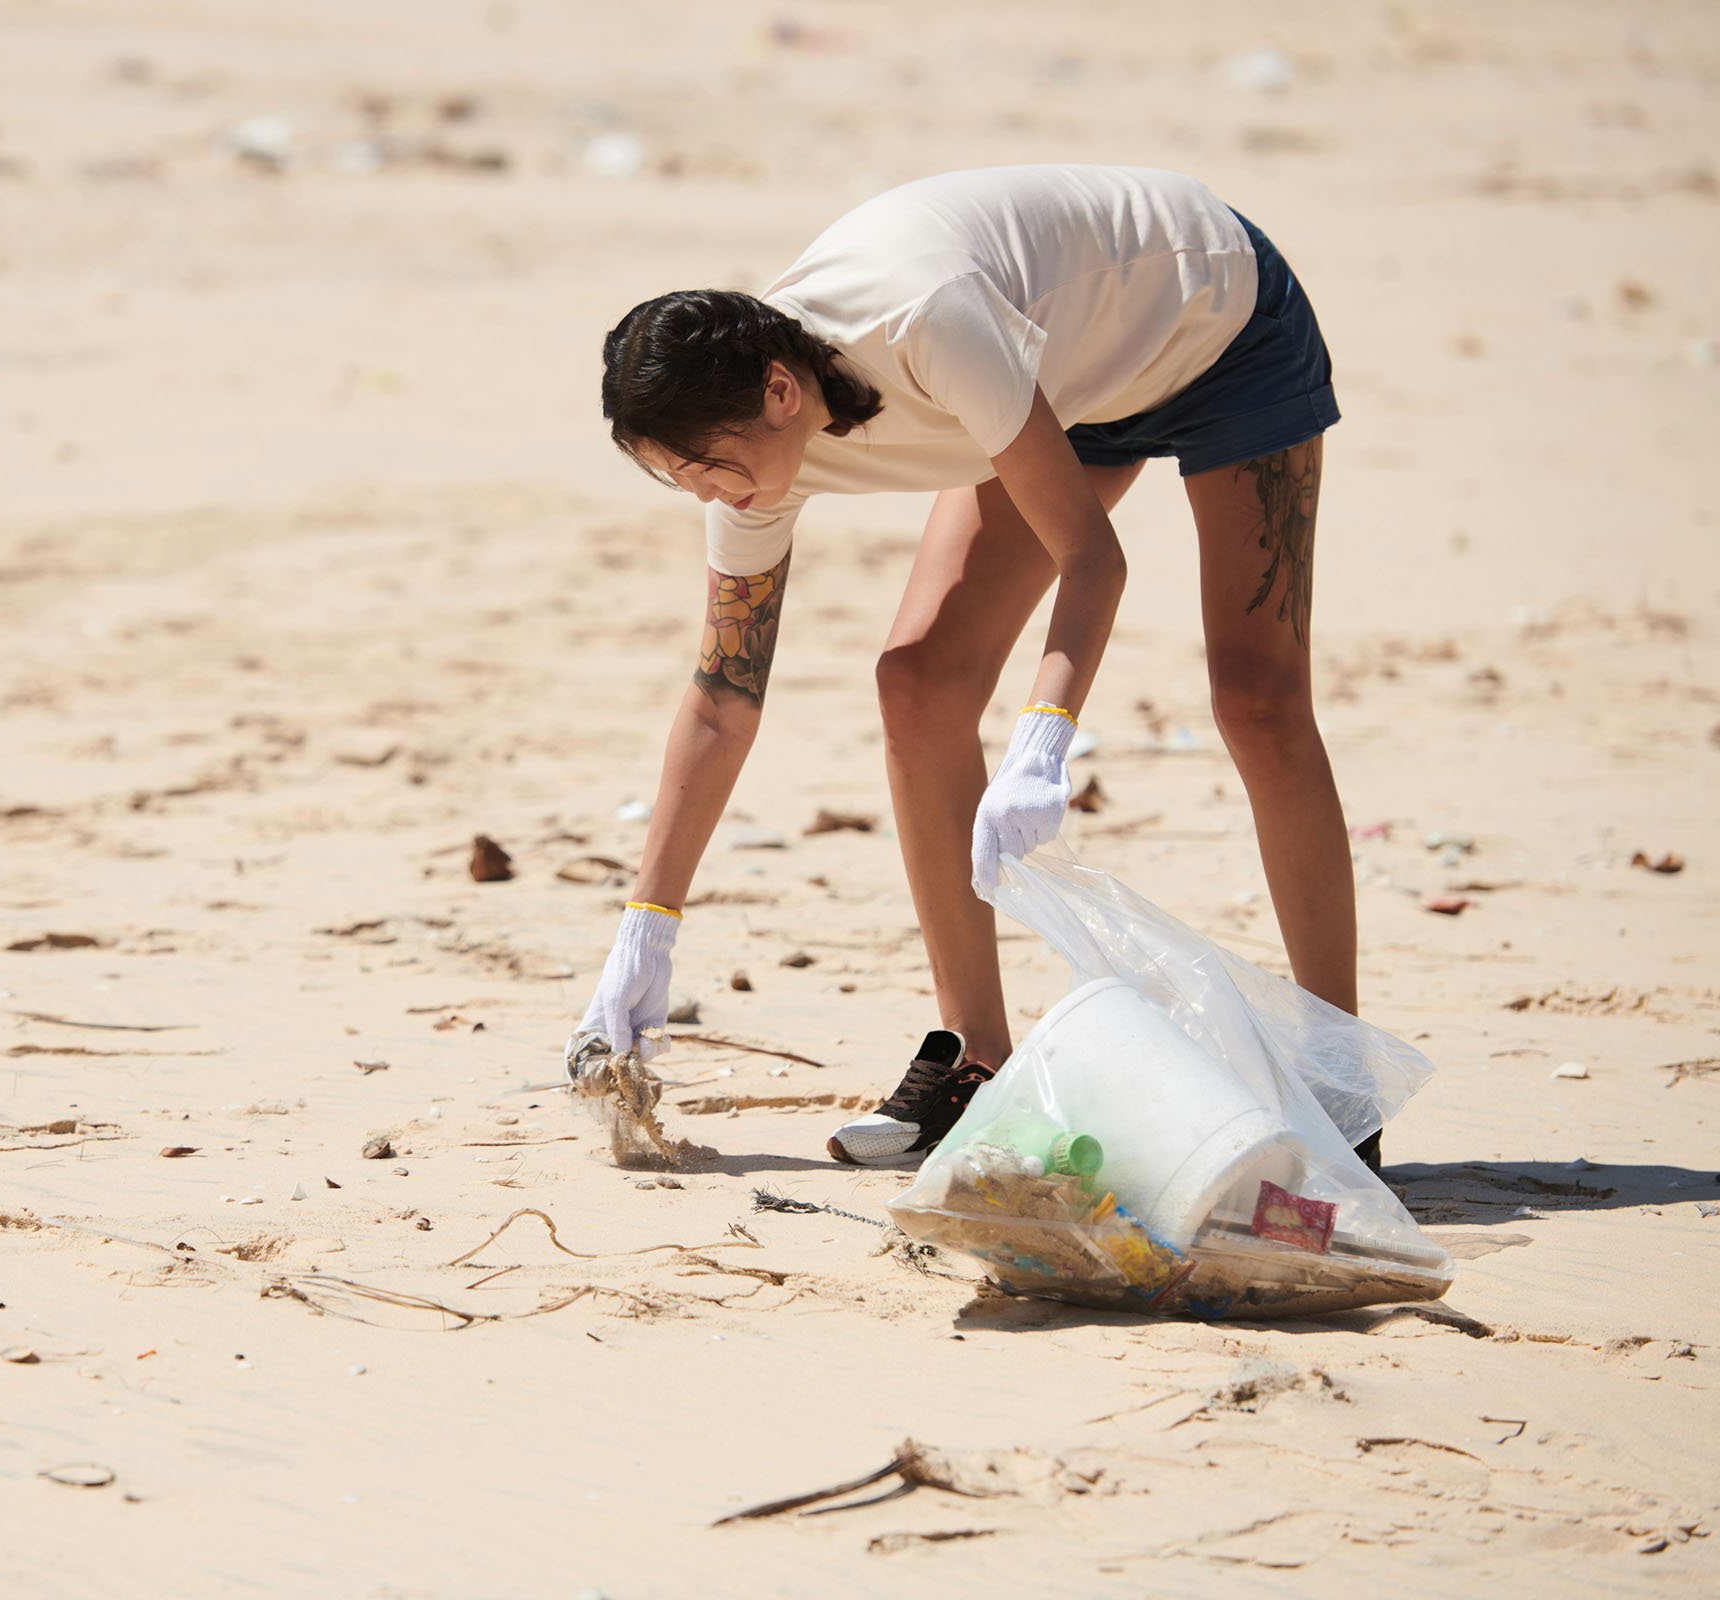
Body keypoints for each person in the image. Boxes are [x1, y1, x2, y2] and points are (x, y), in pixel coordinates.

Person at [568, 163, 1382, 1171]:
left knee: (1257, 697)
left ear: (779, 390)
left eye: (709, 469)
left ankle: (1342, 1086)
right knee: (918, 680)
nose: (713, 498)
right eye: (683, 480)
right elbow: (724, 697)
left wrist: (1044, 740)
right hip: (1059, 379)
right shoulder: (752, 462)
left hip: (1216, 323)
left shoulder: (925, 322)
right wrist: (645, 927)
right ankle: (976, 1060)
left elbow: (1094, 561)